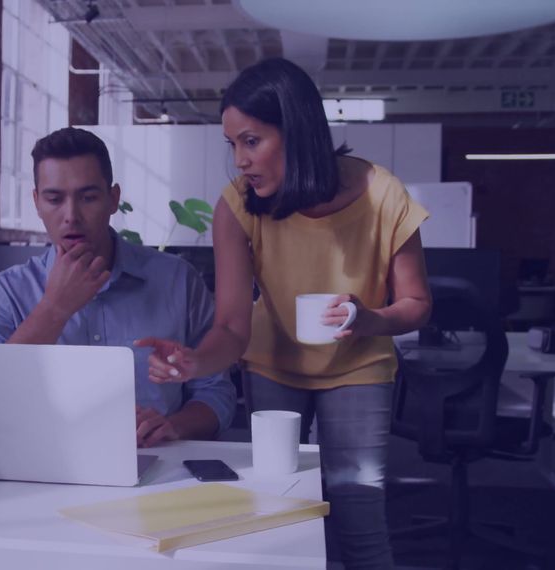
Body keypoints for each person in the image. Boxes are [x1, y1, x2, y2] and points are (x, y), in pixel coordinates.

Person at [137, 58, 432, 569]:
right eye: (232, 145)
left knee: (358, 512)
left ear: (295, 130)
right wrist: (193, 362)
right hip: (272, 365)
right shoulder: (237, 205)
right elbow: (231, 325)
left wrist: (369, 320)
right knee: (276, 513)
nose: (240, 161)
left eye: (251, 141)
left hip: (358, 367)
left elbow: (417, 304)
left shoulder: (383, 194)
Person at [0, 127, 236, 448]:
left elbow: (215, 390)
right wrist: (55, 308)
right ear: (37, 202)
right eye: (55, 199)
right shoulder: (4, 294)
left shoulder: (178, 281)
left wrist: (173, 427)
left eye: (88, 197)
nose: (71, 216)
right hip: (43, 466)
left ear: (113, 199)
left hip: (158, 466)